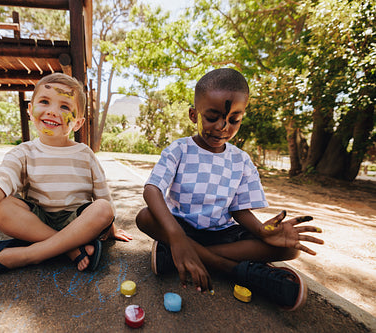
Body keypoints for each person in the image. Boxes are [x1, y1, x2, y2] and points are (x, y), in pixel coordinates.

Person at [135, 68, 323, 311]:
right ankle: (231, 268)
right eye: (212, 117)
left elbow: (239, 210)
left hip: (223, 234)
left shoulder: (241, 160)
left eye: (234, 119)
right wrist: (177, 236)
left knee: (289, 248)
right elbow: (152, 190)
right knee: (145, 217)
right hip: (181, 227)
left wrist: (263, 231)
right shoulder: (179, 150)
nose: (223, 127)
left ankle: (179, 254)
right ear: (194, 114)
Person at [0, 73, 132, 277]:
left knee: (103, 209)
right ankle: (68, 247)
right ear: (30, 110)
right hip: (36, 223)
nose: (52, 111)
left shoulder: (85, 154)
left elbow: (102, 195)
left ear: (77, 122)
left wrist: (110, 228)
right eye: (44, 101)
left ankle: (28, 253)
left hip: (77, 221)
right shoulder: (22, 152)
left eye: (65, 106)